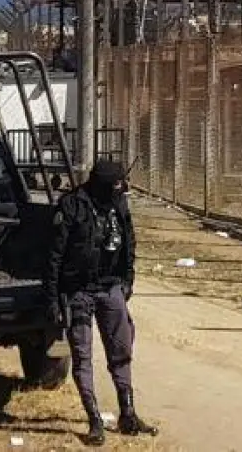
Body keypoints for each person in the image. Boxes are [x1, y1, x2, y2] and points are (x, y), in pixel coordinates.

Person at [45, 159, 156, 446]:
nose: (120, 188)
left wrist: (127, 279)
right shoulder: (72, 206)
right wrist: (54, 299)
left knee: (121, 349)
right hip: (78, 291)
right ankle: (94, 420)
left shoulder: (119, 204)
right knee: (82, 355)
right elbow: (54, 256)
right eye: (116, 184)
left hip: (111, 289)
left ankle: (128, 413)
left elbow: (129, 241)